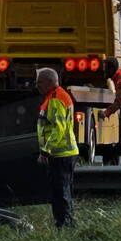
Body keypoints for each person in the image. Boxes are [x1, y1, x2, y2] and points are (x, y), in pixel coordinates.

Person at [36, 67, 78, 228]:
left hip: (60, 154)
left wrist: (46, 151)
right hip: (65, 153)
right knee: (65, 191)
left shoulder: (55, 99)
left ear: (49, 82)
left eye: (40, 82)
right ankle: (68, 223)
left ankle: (64, 225)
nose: (37, 86)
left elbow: (58, 128)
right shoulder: (58, 95)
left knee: (60, 193)